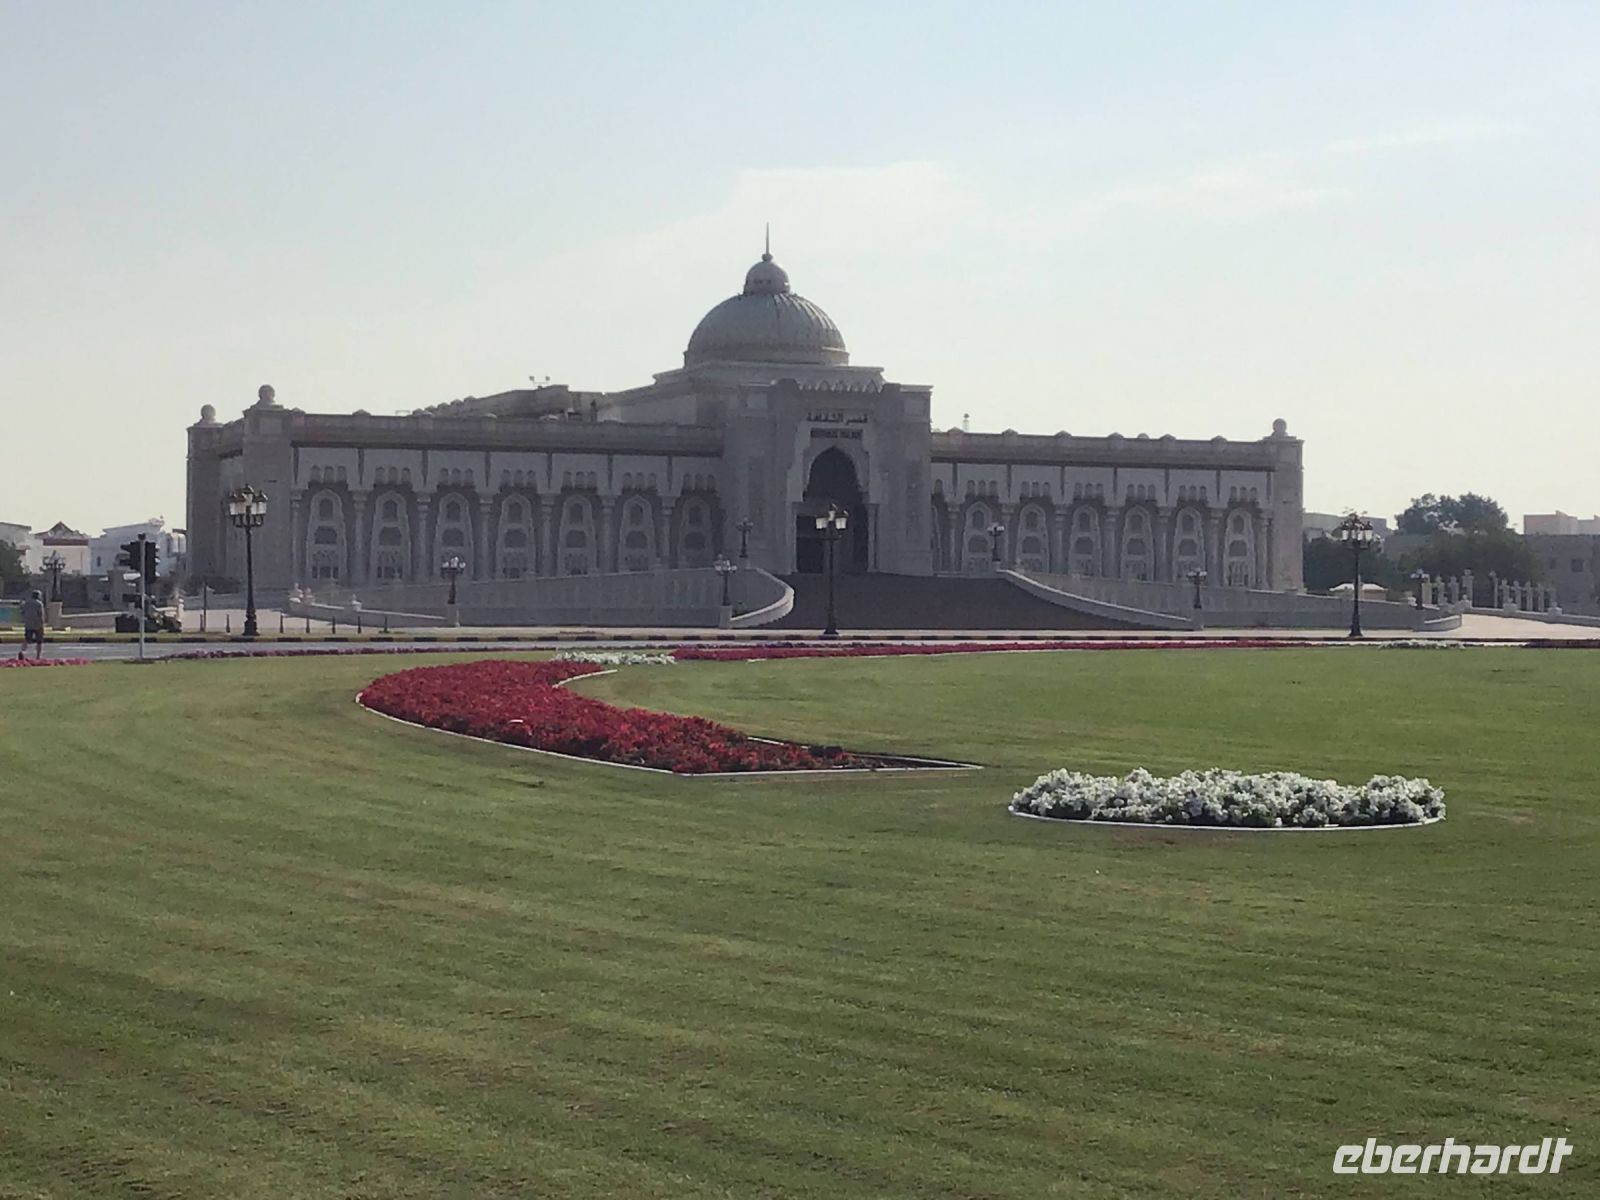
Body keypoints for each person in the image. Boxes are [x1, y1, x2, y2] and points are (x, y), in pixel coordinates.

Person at [19, 589, 45, 661]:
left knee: (27, 639)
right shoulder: (39, 604)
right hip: (37, 624)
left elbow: (22, 612)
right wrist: (42, 623)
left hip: (28, 624)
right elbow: (40, 614)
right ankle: (38, 656)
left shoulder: (26, 603)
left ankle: (22, 651)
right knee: (39, 641)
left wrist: (25, 619)